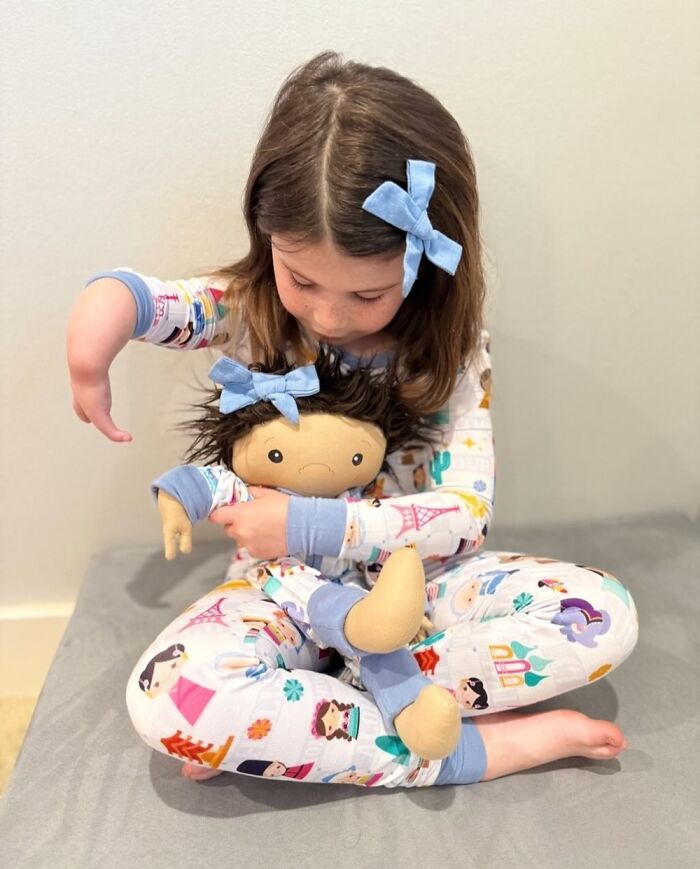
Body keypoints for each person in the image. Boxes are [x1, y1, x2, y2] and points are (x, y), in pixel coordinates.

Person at [67, 52, 638, 788]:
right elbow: (149, 301)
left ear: (426, 264)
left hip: (426, 593)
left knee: (603, 614)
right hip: (285, 596)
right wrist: (96, 332)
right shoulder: (253, 312)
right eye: (302, 278)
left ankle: (312, 719)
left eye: (367, 295)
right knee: (167, 699)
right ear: (265, 234)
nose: (330, 316)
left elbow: (466, 515)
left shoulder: (450, 355)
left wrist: (313, 525)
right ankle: (459, 746)